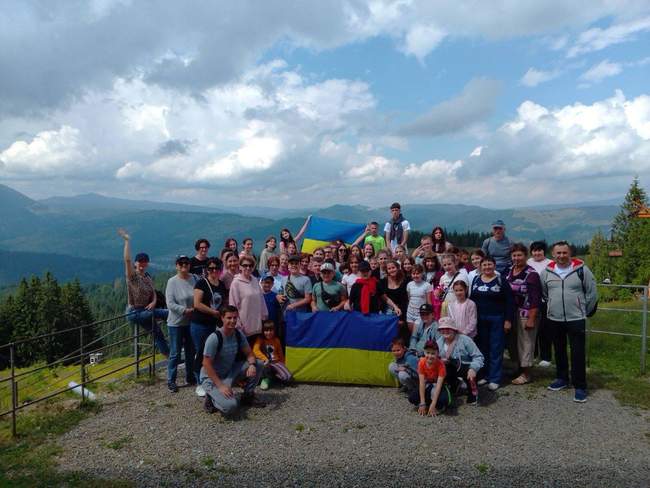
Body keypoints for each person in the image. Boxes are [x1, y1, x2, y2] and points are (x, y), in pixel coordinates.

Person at [540, 241, 597, 403]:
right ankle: (562, 379)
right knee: (559, 350)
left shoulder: (582, 270)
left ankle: (580, 386)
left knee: (578, 352)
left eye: (564, 253)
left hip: (576, 318)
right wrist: (552, 307)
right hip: (554, 318)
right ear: (553, 254)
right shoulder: (546, 272)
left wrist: (584, 310)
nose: (561, 256)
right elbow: (545, 294)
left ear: (570, 253)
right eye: (558, 253)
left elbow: (592, 293)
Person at [201, 305, 265, 416]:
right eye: (229, 318)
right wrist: (221, 386)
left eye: (235, 318)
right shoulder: (214, 338)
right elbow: (206, 364)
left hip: (229, 372)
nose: (233, 321)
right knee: (231, 407)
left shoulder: (238, 334)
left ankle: (248, 395)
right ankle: (211, 397)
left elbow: (249, 353)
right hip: (212, 378)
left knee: (258, 363)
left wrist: (252, 365)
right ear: (222, 318)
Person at [118, 229, 169, 358]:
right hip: (135, 312)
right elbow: (127, 260)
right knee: (169, 314)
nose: (143, 263)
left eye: (145, 261)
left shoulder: (147, 276)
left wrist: (153, 302)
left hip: (146, 310)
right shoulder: (133, 277)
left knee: (157, 333)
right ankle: (179, 346)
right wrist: (127, 241)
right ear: (136, 263)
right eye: (140, 261)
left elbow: (153, 292)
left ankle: (170, 357)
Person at [470, 256, 515, 391]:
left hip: (497, 318)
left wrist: (508, 320)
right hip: (480, 319)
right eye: (484, 265)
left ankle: (495, 378)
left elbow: (509, 301)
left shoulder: (501, 280)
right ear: (480, 267)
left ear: (494, 266)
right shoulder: (477, 280)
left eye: (490, 264)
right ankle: (485, 375)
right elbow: (472, 299)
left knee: (496, 348)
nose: (487, 267)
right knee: (483, 347)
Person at [190, 257, 227, 396]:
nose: (214, 271)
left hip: (214, 323)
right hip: (200, 323)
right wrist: (214, 312)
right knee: (200, 352)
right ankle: (199, 382)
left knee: (212, 353)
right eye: (211, 268)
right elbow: (197, 304)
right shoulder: (201, 283)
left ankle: (209, 378)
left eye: (216, 268)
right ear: (206, 270)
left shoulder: (221, 284)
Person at [507, 243, 542, 385]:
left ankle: (527, 373)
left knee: (526, 343)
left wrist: (532, 318)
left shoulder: (532, 274)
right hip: (512, 313)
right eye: (514, 255)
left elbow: (536, 298)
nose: (516, 258)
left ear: (526, 256)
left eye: (519, 255)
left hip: (526, 314)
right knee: (514, 343)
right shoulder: (510, 271)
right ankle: (519, 368)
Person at [165, 255, 197, 392]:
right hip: (176, 323)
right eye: (181, 263)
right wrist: (185, 310)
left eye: (186, 263)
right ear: (177, 265)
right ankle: (171, 380)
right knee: (175, 353)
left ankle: (190, 376)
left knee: (191, 352)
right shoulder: (172, 282)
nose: (184, 265)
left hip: (191, 322)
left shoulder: (194, 279)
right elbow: (170, 304)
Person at [436, 317, 484, 406]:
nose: (445, 331)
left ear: (454, 329)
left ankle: (473, 392)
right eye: (442, 329)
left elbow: (479, 356)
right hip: (451, 367)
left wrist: (473, 368)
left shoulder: (465, 340)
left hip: (467, 367)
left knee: (471, 373)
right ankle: (454, 385)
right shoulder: (439, 342)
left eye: (448, 328)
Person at [228, 255, 268, 343]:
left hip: (257, 326)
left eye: (250, 265)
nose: (248, 267)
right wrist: (237, 324)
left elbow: (261, 300)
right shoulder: (236, 283)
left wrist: (264, 316)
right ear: (240, 267)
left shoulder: (255, 280)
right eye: (245, 265)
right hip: (244, 328)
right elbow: (233, 305)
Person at [408, 340, 450, 416]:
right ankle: (427, 404)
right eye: (428, 353)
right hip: (427, 384)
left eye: (433, 353)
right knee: (412, 398)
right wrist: (422, 403)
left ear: (437, 353)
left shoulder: (441, 365)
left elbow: (439, 386)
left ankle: (436, 406)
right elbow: (422, 383)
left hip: (437, 385)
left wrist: (433, 405)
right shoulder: (421, 362)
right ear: (424, 352)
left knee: (443, 400)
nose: (430, 356)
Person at [528, 241, 553, 367]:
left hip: (545, 301)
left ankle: (546, 357)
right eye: (534, 250)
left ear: (544, 251)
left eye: (539, 250)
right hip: (530, 302)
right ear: (531, 252)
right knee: (531, 329)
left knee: (544, 329)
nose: (537, 253)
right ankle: (532, 354)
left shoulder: (550, 264)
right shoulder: (528, 263)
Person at [253, 320, 292, 390]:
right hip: (267, 363)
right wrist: (265, 359)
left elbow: (280, 353)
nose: (268, 333)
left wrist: (283, 364)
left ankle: (273, 377)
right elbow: (255, 350)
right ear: (263, 331)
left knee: (287, 377)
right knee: (264, 366)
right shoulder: (260, 339)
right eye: (266, 331)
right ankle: (266, 379)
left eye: (271, 330)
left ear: (274, 331)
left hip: (276, 362)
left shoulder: (276, 340)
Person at [406, 264, 432, 331]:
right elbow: (409, 299)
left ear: (422, 274)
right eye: (413, 273)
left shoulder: (427, 285)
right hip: (410, 312)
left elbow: (428, 301)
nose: (415, 275)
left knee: (419, 333)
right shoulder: (409, 284)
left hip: (421, 313)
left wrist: (430, 314)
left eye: (417, 273)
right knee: (412, 334)